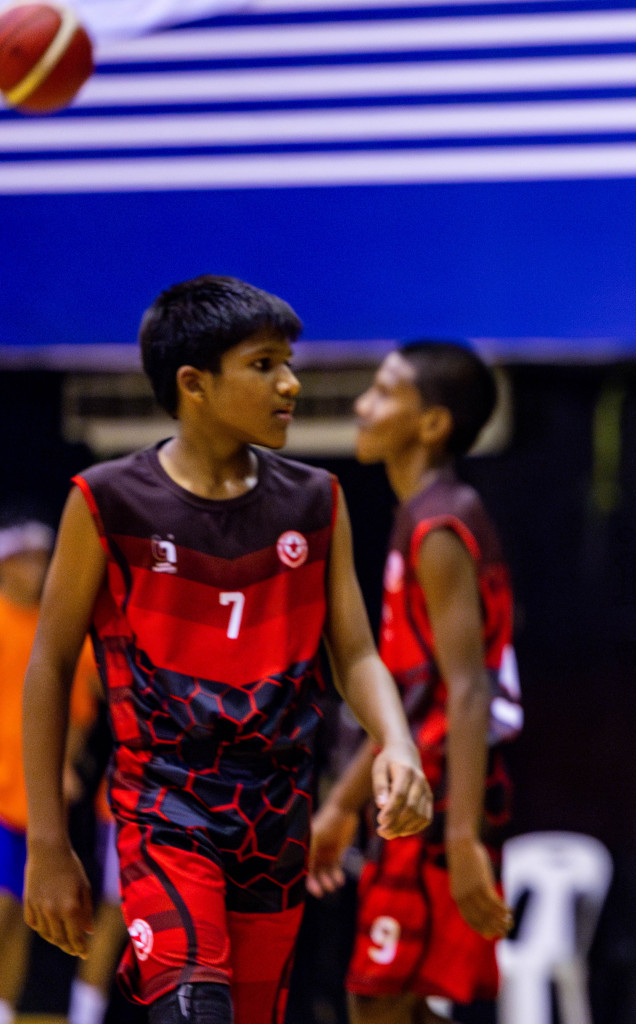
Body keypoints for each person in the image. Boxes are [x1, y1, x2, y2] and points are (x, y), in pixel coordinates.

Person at [21, 275, 434, 1024]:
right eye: (264, 363)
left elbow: (356, 652)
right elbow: (48, 665)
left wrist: (396, 743)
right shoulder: (106, 500)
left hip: (276, 817)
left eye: (289, 362)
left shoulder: (316, 501)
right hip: (162, 809)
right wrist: (48, 845)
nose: (291, 383)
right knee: (192, 1010)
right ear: (194, 384)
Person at [307, 340, 519, 1024]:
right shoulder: (415, 517)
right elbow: (410, 698)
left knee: (376, 1000)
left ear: (432, 423)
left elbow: (469, 691)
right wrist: (342, 805)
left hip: (438, 806)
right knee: (390, 1003)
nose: (362, 406)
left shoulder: (439, 526)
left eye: (384, 391)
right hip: (417, 792)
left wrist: (461, 843)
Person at [0, 519, 101, 1024]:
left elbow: (81, 706)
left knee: (19, 914)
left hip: (30, 799)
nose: (37, 570)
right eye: (27, 559)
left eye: (44, 559)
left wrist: (61, 764)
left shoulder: (55, 629)